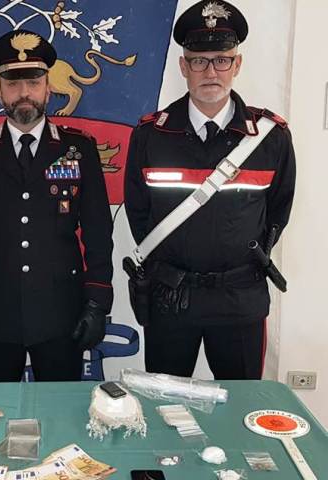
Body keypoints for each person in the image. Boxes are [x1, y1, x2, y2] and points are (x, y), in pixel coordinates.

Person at [124, 0, 295, 380]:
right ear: (183, 67)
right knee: (164, 402)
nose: (211, 71)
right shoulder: (151, 135)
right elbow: (138, 211)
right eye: (199, 61)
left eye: (221, 60)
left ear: (237, 64)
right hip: (172, 296)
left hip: (240, 297)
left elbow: (278, 210)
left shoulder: (270, 138)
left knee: (242, 402)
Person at [0, 29, 114, 382]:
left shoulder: (78, 150)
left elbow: (98, 232)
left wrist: (97, 301)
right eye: (12, 83)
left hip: (61, 314)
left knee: (61, 411)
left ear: (48, 87)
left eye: (33, 82)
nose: (23, 93)